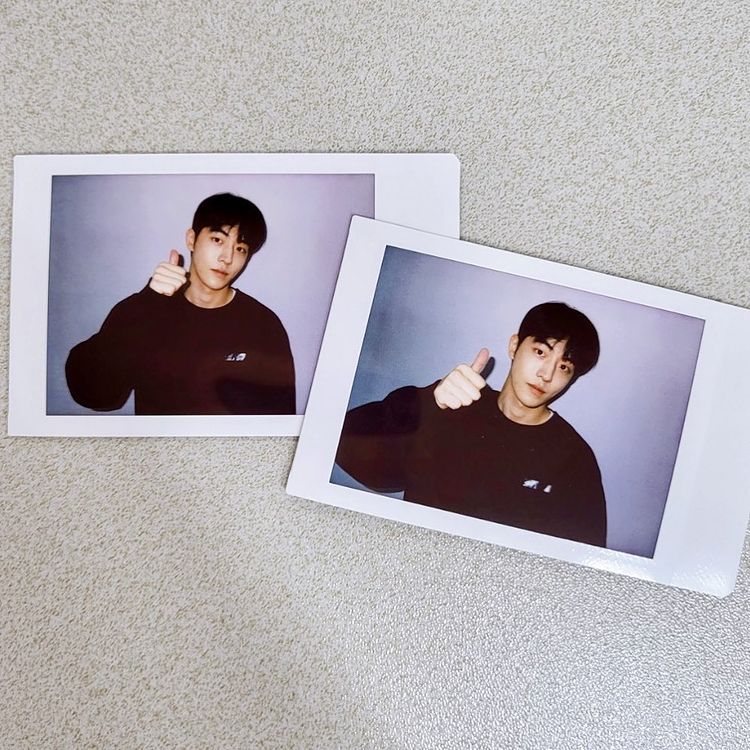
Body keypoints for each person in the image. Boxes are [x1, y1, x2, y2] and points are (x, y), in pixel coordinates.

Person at [335, 302, 607, 546]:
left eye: (564, 367)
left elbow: (577, 563)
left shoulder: (573, 459)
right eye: (540, 352)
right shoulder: (452, 402)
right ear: (514, 346)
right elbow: (344, 447)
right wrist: (429, 402)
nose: (546, 374)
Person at [65, 193, 296, 415]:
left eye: (240, 249)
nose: (227, 258)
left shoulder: (263, 325)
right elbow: (94, 394)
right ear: (191, 239)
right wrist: (147, 302)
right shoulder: (143, 309)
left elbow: (279, 420)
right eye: (218, 240)